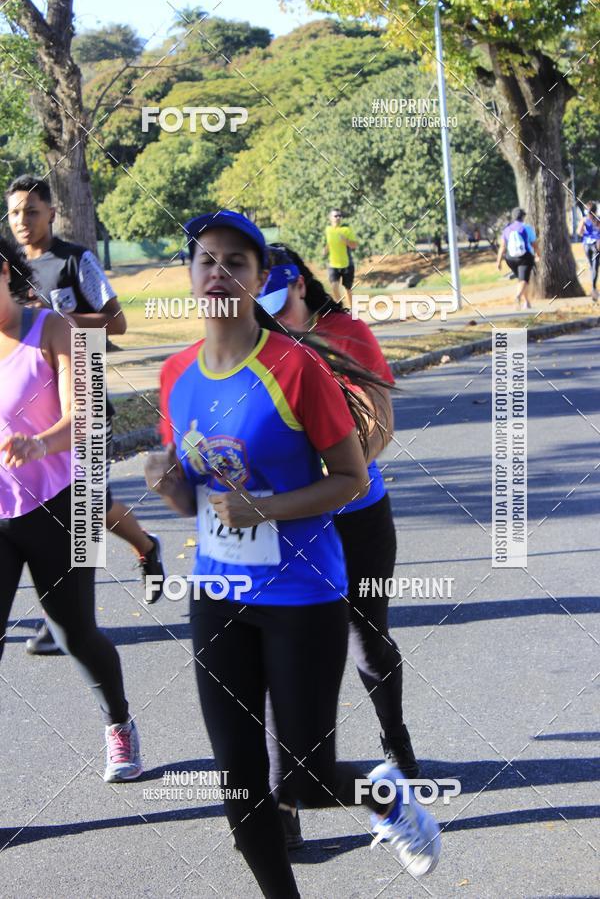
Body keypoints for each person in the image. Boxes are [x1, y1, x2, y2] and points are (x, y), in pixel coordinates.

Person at [146, 210, 440, 896]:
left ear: (257, 280)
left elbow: (352, 478)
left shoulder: (295, 366)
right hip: (218, 593)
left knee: (305, 780)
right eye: (206, 260)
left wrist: (269, 508)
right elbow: (197, 499)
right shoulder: (174, 375)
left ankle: (385, 796)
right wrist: (167, 487)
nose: (218, 273)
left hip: (301, 593)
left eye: (235, 263)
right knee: (239, 780)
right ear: (189, 275)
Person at [255, 244, 419, 848]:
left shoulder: (345, 333)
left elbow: (379, 421)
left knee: (367, 639)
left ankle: (395, 742)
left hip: (357, 515)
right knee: (282, 658)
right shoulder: (255, 344)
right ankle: (283, 800)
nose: (270, 317)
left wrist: (334, 476)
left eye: (277, 303)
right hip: (291, 527)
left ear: (299, 285)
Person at [0, 237, 142, 782]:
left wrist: (39, 444)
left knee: (74, 633)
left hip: (70, 500)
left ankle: (119, 724)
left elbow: (82, 415)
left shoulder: (54, 329)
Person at [6, 175, 165, 654]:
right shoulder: (8, 269)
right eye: (14, 213)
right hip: (23, 410)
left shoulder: (77, 260)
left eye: (31, 211)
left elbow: (116, 322)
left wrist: (54, 319)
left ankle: (74, 620)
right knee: (61, 505)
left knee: (85, 506)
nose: (22, 221)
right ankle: (147, 547)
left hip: (82, 398)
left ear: (52, 213)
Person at [497, 207, 539, 309]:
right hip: (525, 257)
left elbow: (502, 246)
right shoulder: (527, 228)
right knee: (524, 280)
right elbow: (534, 244)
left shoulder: (507, 229)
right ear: (523, 217)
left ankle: (527, 303)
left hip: (510, 258)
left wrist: (498, 261)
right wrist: (538, 255)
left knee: (521, 280)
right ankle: (518, 296)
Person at [323, 208, 357, 306]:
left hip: (347, 264)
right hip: (333, 264)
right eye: (335, 216)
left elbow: (354, 245)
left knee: (348, 289)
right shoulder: (328, 230)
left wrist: (345, 240)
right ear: (330, 218)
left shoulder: (346, 229)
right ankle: (340, 308)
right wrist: (325, 250)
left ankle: (352, 311)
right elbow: (329, 242)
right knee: (334, 287)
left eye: (339, 216)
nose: (338, 218)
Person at [576, 201, 600, 302]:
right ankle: (594, 289)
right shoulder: (598, 219)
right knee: (595, 267)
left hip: (586, 245)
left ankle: (593, 289)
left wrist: (586, 235)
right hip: (596, 245)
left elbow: (579, 231)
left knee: (592, 266)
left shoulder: (585, 220)